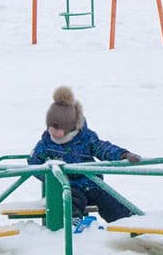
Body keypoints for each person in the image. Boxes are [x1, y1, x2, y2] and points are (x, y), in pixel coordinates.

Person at [27, 85, 142, 222]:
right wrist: (53, 179)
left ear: (70, 127)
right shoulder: (46, 143)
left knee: (109, 200)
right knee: (71, 200)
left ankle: (128, 222)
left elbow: (103, 148)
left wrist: (124, 154)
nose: (52, 132)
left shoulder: (85, 138)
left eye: (57, 128)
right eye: (50, 127)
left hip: (92, 183)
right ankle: (72, 223)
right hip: (68, 187)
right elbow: (34, 163)